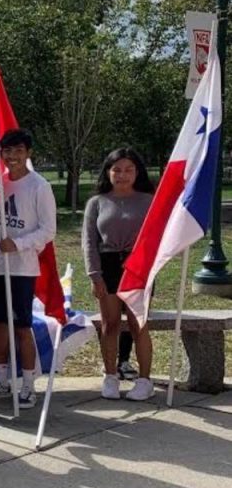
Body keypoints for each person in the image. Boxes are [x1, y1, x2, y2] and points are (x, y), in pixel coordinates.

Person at [0, 129, 56, 409]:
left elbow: (49, 230)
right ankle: (0, 380)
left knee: (22, 326)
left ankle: (29, 386)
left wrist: (19, 244)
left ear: (28, 153)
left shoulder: (39, 186)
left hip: (22, 268)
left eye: (18, 151)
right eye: (7, 151)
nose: (13, 157)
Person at [83, 148, 156, 401]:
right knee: (110, 324)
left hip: (139, 267)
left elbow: (158, 238)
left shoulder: (149, 200)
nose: (122, 175)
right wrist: (95, 275)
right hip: (108, 265)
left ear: (138, 172)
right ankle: (111, 376)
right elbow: (89, 242)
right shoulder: (97, 202)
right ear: (107, 172)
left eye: (128, 170)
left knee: (139, 325)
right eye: (117, 170)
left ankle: (145, 380)